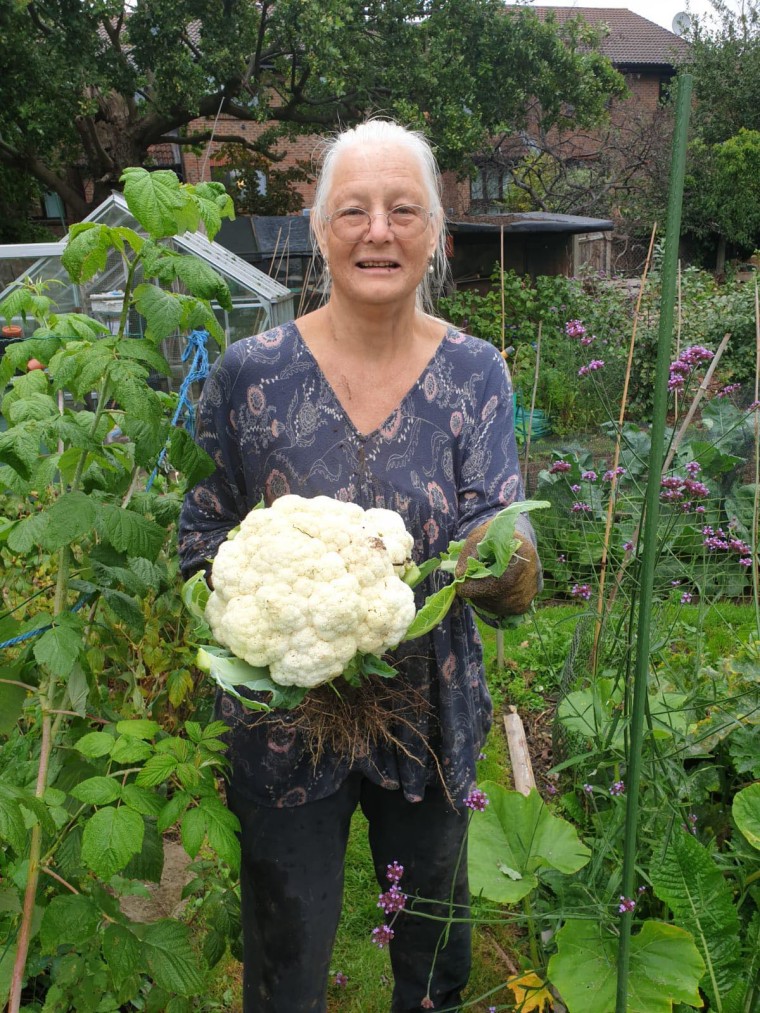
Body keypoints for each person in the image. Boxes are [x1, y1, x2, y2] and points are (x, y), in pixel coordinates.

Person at [178, 119, 542, 1013]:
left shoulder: (475, 373)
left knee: (433, 953)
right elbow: (200, 533)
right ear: (319, 229)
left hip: (427, 709)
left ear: (436, 235)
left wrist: (506, 564)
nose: (378, 230)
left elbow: (506, 547)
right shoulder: (248, 374)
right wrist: (241, 605)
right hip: (283, 716)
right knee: (284, 952)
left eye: (403, 210)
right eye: (354, 210)